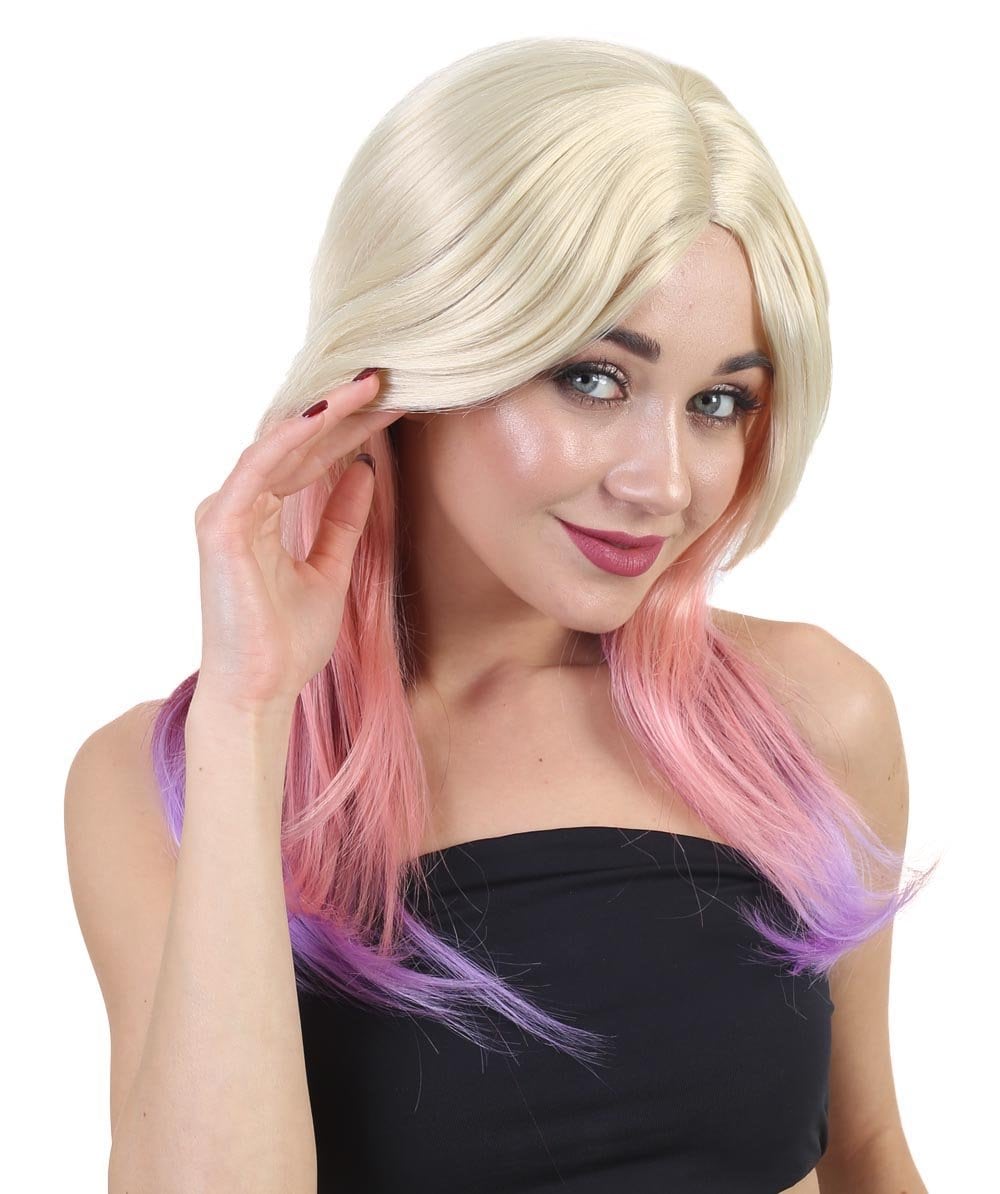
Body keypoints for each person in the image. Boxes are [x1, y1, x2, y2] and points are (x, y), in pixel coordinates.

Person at [64, 36, 936, 1194]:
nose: (663, 483)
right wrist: (250, 708)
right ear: (420, 357)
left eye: (719, 401)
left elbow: (866, 1154)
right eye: (592, 379)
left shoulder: (805, 719)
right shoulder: (164, 781)